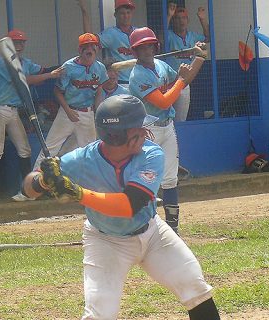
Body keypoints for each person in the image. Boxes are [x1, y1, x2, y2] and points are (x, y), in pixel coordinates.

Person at [21, 94, 220, 320]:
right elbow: (28, 188)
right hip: (106, 241)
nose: (146, 133)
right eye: (139, 129)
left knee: (194, 286)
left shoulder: (151, 153)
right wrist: (44, 180)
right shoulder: (81, 159)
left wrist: (77, 193)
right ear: (121, 136)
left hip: (152, 233)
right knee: (100, 314)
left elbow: (130, 205)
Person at [128, 27, 201, 234]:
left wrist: (199, 57)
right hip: (147, 129)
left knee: (170, 178)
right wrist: (180, 80)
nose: (147, 50)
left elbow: (184, 79)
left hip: (167, 126)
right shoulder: (137, 76)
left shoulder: (160, 65)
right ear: (135, 51)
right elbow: (163, 101)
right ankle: (146, 226)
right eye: (142, 47)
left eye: (150, 45)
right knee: (146, 178)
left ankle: (172, 228)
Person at [0, 29, 64, 203]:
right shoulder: (4, 62)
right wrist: (50, 75)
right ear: (9, 44)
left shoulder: (25, 62)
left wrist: (64, 67)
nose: (19, 45)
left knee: (24, 149)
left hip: (13, 110)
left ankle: (29, 189)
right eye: (16, 42)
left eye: (21, 42)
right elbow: (23, 80)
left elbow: (43, 70)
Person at [31, 33, 106, 170]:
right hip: (68, 112)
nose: (90, 49)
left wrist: (97, 112)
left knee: (89, 152)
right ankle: (34, 182)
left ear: (97, 49)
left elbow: (99, 90)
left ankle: (85, 185)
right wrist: (67, 110)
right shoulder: (69, 67)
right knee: (50, 147)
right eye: (86, 46)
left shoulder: (100, 68)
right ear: (80, 50)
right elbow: (57, 91)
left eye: (93, 46)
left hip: (87, 113)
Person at [79, 0, 139, 87]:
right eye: (122, 13)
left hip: (138, 81)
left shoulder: (139, 32)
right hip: (120, 83)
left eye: (128, 12)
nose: (126, 16)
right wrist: (84, 12)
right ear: (115, 15)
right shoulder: (111, 34)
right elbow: (89, 39)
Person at [166, 4, 209, 122]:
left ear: (188, 20)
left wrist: (202, 19)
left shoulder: (192, 36)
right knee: (168, 117)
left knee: (182, 118)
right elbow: (160, 38)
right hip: (170, 81)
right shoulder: (169, 35)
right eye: (178, 18)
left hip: (188, 80)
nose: (181, 21)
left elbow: (208, 37)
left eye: (184, 18)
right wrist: (169, 16)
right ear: (174, 21)